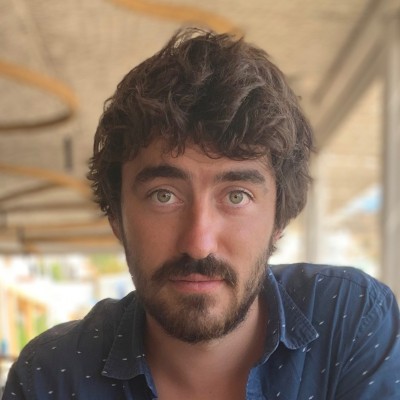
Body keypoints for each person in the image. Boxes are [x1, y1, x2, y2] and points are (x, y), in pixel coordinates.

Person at [3, 28, 400, 400]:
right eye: (163, 195)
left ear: (278, 219)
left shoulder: (350, 320)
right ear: (116, 217)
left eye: (237, 196)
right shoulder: (51, 376)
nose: (198, 243)